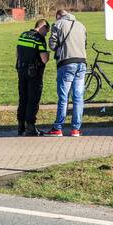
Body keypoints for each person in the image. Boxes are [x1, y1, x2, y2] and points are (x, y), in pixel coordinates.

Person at [47, 9, 88, 137]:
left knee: (64, 97)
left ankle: (58, 128)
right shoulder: (81, 25)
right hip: (82, 63)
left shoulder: (58, 24)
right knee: (78, 97)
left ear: (58, 16)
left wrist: (59, 47)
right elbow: (84, 44)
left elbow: (52, 45)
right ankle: (76, 129)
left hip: (66, 63)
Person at [15, 18, 50, 136]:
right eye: (47, 31)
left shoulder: (23, 35)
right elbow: (44, 60)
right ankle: (30, 127)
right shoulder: (39, 38)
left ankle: (21, 126)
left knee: (23, 97)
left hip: (21, 70)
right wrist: (48, 54)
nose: (46, 34)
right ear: (43, 27)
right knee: (33, 99)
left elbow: (17, 53)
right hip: (34, 73)